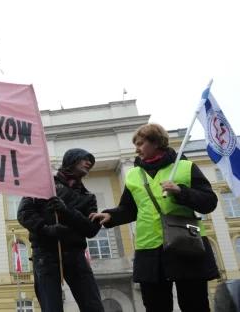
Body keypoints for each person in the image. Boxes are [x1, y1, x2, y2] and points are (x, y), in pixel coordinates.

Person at [90, 123, 219, 312]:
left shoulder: (185, 167)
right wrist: (111, 215)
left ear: (156, 142)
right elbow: (129, 208)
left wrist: (180, 191)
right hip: (149, 248)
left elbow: (209, 201)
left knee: (195, 304)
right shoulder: (134, 174)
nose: (137, 149)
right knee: (155, 305)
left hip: (185, 243)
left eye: (141, 143)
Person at [17, 148, 104, 312]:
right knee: (51, 307)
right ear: (71, 160)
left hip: (75, 254)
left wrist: (67, 212)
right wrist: (46, 229)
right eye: (84, 159)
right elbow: (24, 213)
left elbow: (91, 229)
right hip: (45, 253)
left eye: (91, 162)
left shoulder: (88, 197)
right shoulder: (44, 185)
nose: (89, 163)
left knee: (93, 306)